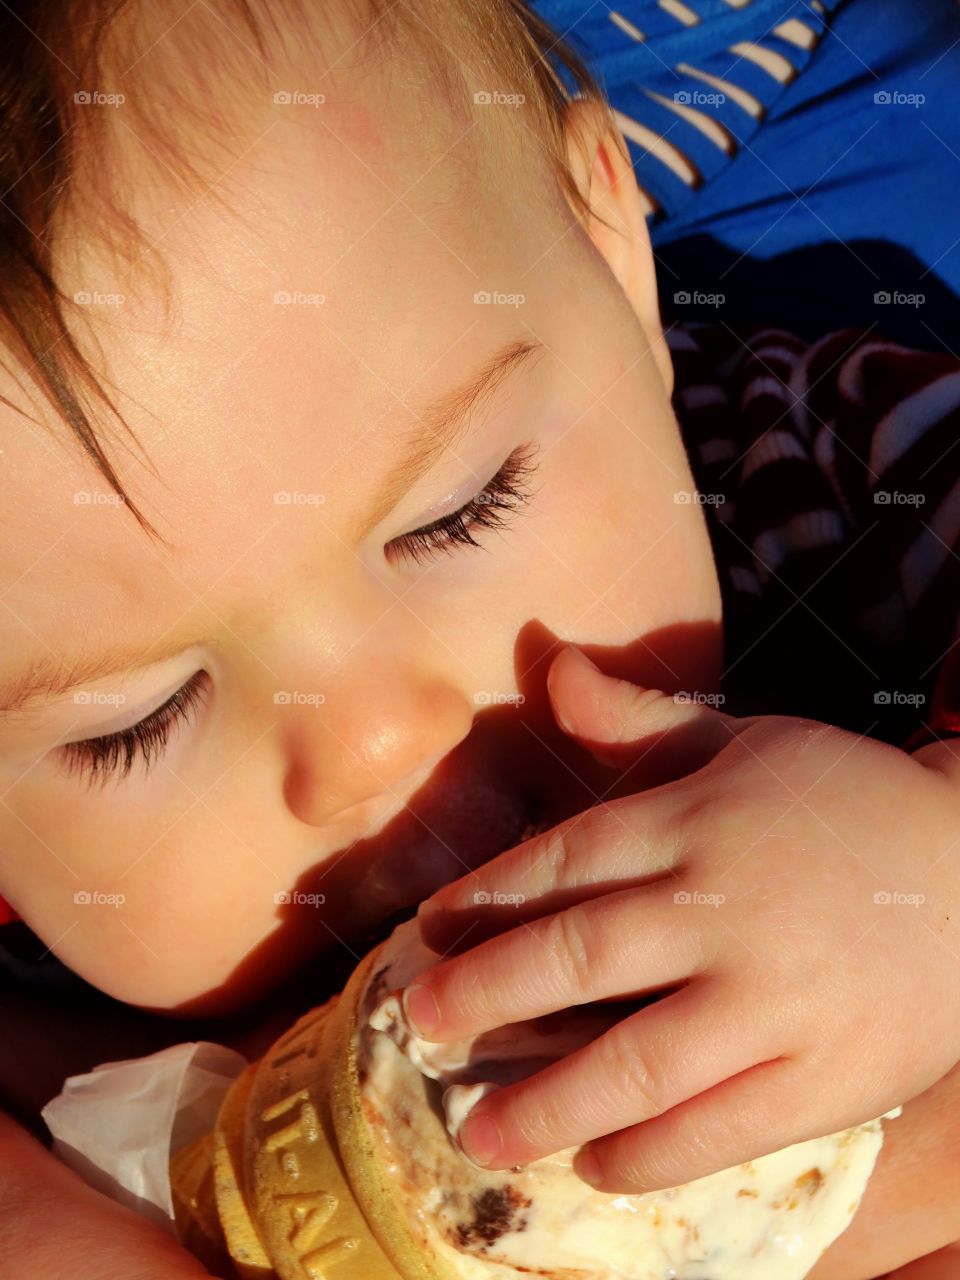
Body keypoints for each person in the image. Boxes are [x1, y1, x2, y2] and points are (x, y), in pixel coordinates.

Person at [1, 2, 959, 1277]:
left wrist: (931, 870)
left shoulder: (821, 465)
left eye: (461, 512)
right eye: (136, 721)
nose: (373, 741)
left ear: (611, 264)